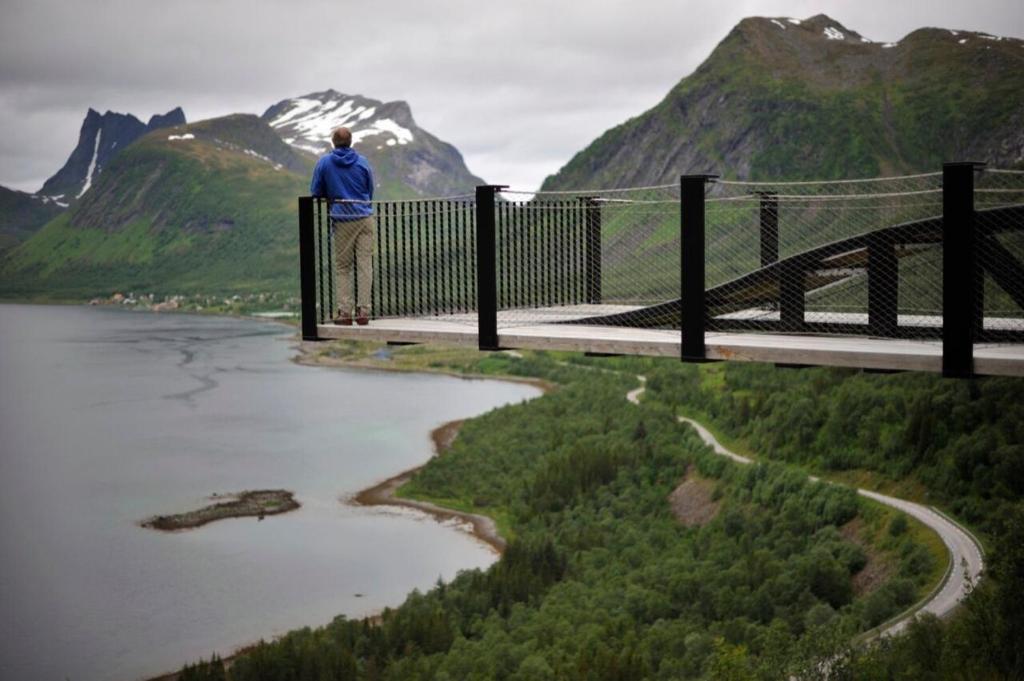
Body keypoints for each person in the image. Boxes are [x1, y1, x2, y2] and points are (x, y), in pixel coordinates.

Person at [310, 126, 375, 325]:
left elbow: (315, 191)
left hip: (343, 220)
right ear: (351, 141)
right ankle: (364, 312)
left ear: (333, 142)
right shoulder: (363, 162)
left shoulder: (324, 163)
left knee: (343, 267)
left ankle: (345, 313)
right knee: (365, 265)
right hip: (365, 217)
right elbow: (370, 189)